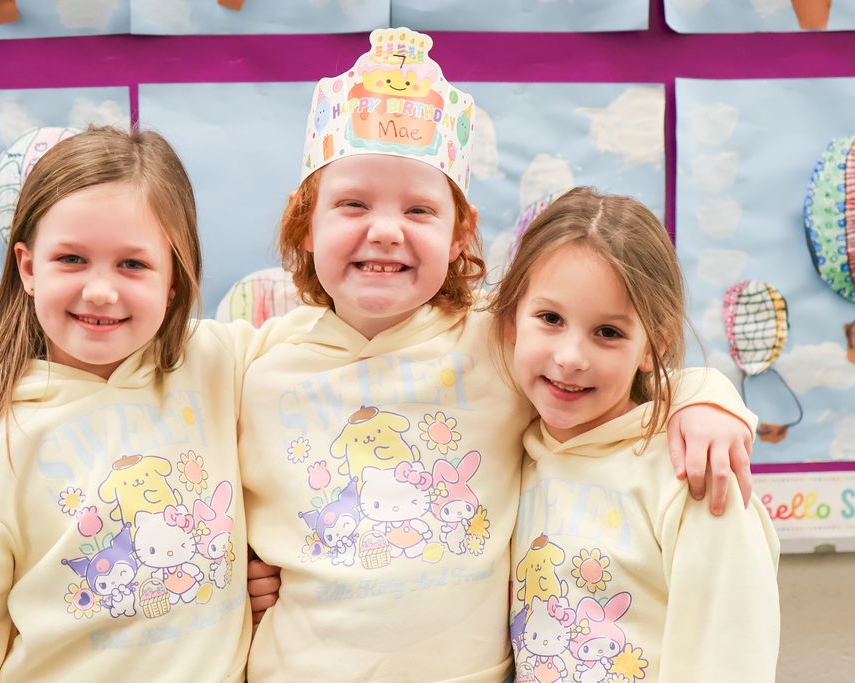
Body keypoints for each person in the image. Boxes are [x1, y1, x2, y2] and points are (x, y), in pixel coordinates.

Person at [239, 29, 757, 682]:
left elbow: (611, 349)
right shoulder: (252, 363)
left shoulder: (500, 335)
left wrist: (706, 396)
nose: (386, 229)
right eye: (352, 204)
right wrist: (236, 579)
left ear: (460, 234)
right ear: (304, 220)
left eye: (419, 209)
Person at [0, 127, 265, 682]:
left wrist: (272, 558)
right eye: (72, 258)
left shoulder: (222, 363)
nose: (101, 291)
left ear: (174, 278)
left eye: (133, 265)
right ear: (29, 268)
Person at [498, 188, 779, 682]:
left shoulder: (693, 470)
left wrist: (709, 394)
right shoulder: (512, 453)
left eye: (608, 332)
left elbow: (731, 654)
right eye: (550, 318)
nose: (570, 357)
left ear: (654, 346)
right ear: (510, 321)